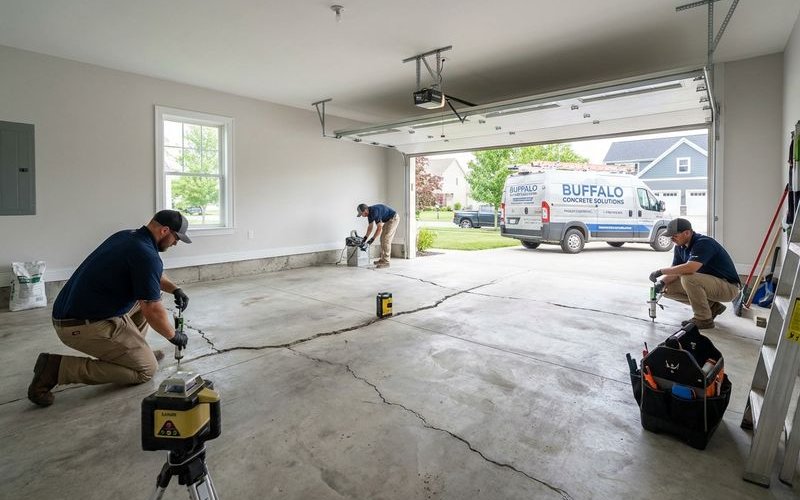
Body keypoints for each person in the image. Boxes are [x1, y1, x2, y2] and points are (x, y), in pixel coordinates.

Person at [27, 210, 193, 407]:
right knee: (146, 370)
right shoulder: (146, 255)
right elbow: (152, 309)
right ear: (164, 231)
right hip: (81, 324)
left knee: (149, 297)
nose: (175, 243)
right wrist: (173, 336)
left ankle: (135, 354)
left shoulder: (127, 237)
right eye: (176, 238)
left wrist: (175, 289)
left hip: (74, 310)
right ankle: (56, 369)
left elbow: (151, 275)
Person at [649, 218, 741, 329]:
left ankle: (704, 319)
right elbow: (676, 271)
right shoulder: (680, 247)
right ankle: (712, 307)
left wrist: (660, 271)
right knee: (666, 289)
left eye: (675, 236)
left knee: (688, 278)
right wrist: (662, 282)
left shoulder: (703, 243)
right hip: (711, 285)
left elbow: (691, 268)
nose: (672, 239)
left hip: (729, 287)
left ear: (687, 233)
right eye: (670, 236)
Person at [357, 203, 399, 268]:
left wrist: (372, 239)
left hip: (394, 219)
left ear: (365, 210)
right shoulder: (369, 215)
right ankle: (382, 260)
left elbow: (379, 228)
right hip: (388, 220)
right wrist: (365, 238)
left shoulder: (375, 212)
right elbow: (370, 227)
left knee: (386, 239)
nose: (362, 216)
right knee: (382, 239)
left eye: (361, 214)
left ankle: (386, 262)